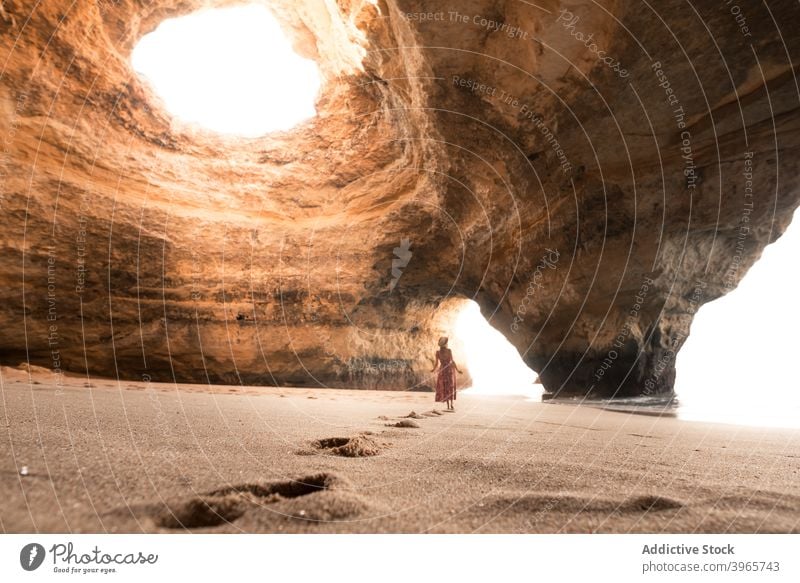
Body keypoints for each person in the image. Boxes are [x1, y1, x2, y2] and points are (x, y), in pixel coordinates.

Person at [431, 336, 462, 411]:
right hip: (448, 370)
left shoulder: (441, 352)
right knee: (448, 387)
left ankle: (450, 405)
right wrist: (457, 370)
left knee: (446, 387)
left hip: (444, 371)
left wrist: (457, 370)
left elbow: (436, 363)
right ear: (445, 344)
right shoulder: (447, 351)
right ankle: (450, 405)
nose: (447, 344)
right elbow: (452, 361)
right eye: (446, 343)